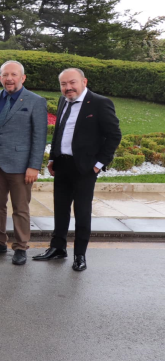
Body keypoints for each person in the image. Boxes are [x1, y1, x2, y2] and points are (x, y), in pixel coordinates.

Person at [34, 68, 121, 271]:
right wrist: (53, 157)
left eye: (72, 83)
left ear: (84, 81)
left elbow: (114, 135)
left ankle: (80, 254)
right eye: (63, 84)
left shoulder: (100, 103)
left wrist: (99, 164)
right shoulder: (64, 100)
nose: (68, 87)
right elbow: (59, 131)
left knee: (82, 212)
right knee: (60, 209)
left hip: (85, 168)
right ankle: (58, 248)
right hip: (62, 164)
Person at [0, 61, 48, 265]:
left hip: (21, 166)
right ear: (0, 77)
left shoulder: (35, 101)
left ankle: (20, 247)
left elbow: (39, 136)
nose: (9, 78)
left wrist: (34, 165)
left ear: (23, 77)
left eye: (14, 74)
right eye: (5, 75)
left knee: (20, 208)